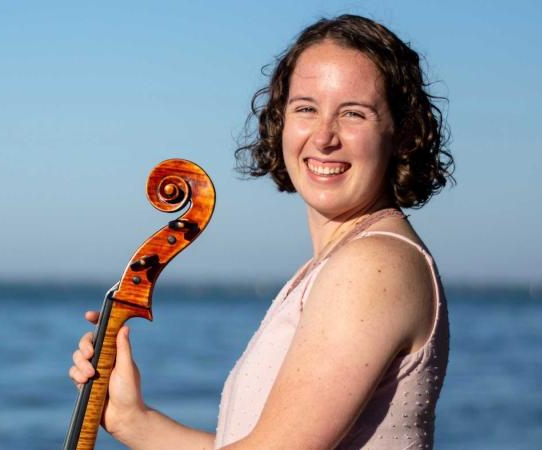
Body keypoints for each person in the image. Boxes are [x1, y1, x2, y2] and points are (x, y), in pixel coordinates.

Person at [69, 14, 453, 449]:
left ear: (401, 134)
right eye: (306, 108)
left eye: (353, 114)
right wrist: (131, 420)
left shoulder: (372, 266)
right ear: (281, 120)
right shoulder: (337, 263)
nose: (324, 137)